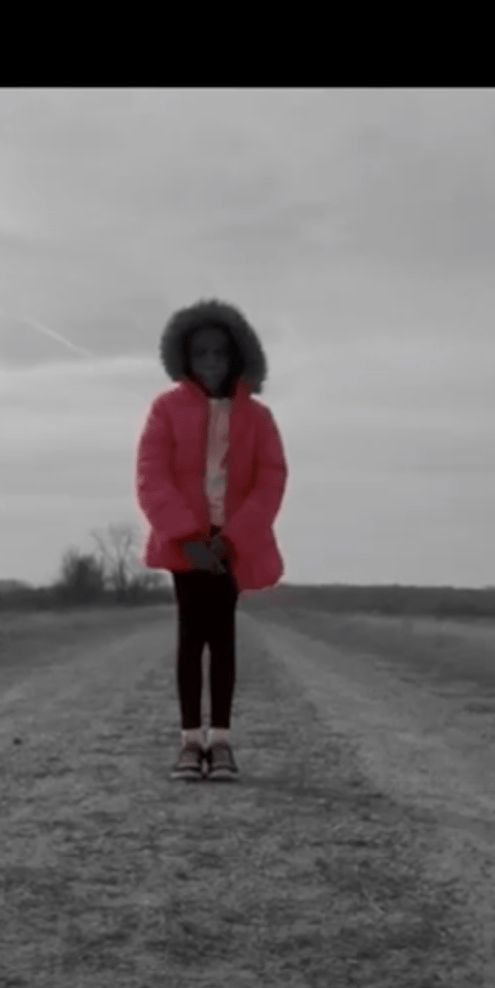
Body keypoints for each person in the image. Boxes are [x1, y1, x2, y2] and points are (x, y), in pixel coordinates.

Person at [134, 298, 288, 781]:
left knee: (222, 641)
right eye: (201, 353)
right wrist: (184, 534)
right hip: (186, 546)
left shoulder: (258, 418)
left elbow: (271, 479)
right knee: (189, 640)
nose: (211, 363)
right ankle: (188, 743)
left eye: (220, 353)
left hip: (231, 548)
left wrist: (234, 536)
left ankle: (219, 741)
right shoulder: (166, 408)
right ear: (186, 356)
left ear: (237, 355)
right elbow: (150, 475)